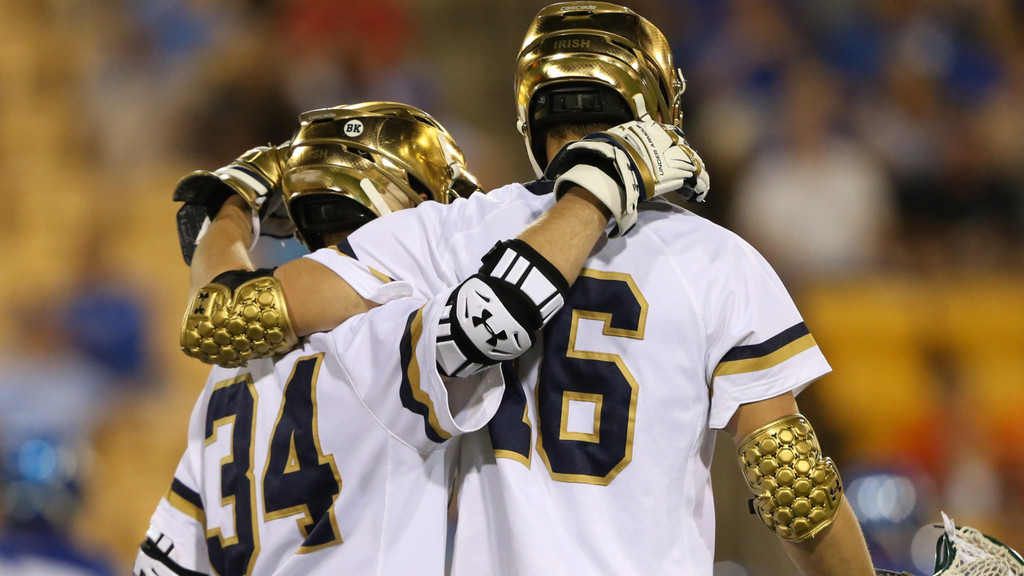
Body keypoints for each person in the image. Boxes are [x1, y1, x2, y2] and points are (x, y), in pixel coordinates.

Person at [171, 3, 873, 575]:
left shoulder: (440, 233)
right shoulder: (720, 258)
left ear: (531, 109)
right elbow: (792, 487)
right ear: (656, 103)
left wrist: (232, 205)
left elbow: (225, 320)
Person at [136, 95, 697, 575]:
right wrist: (598, 189)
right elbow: (499, 315)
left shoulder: (223, 384)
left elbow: (162, 564)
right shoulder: (378, 338)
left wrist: (230, 207)